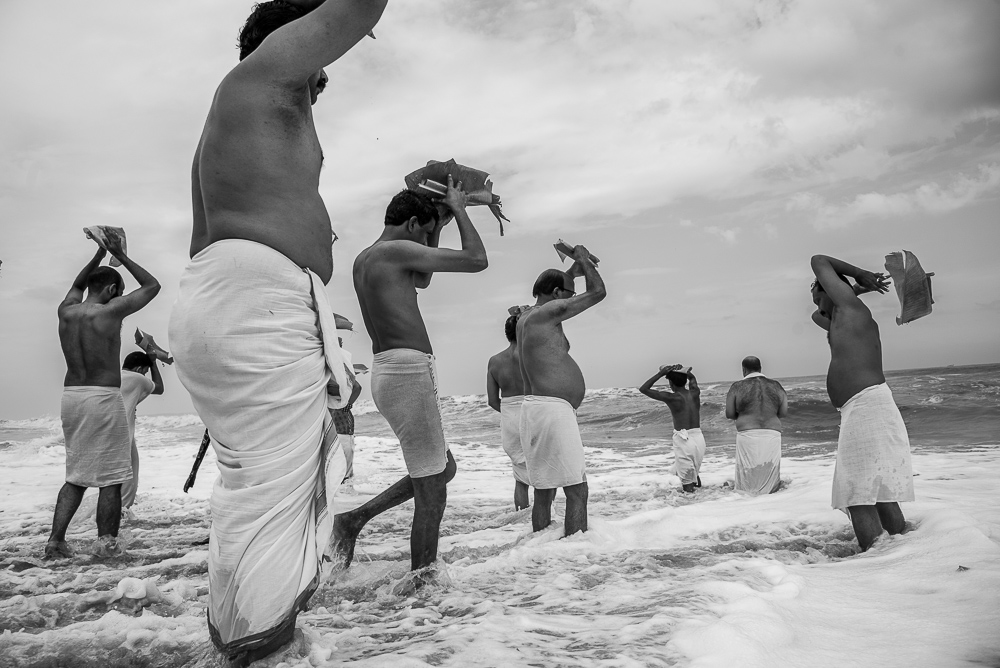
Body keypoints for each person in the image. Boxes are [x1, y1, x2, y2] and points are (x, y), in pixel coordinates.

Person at [167, 1, 385, 663]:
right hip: (254, 302)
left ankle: (240, 641)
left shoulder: (240, 110)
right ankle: (257, 652)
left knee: (257, 491)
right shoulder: (263, 74)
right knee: (273, 502)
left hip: (229, 298)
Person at [332, 182, 487, 579]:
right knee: (433, 488)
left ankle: (355, 518)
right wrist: (460, 210)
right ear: (413, 223)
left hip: (390, 370)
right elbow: (476, 259)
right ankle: (423, 587)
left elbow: (423, 279)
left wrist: (440, 223)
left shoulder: (369, 257)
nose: (426, 242)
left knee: (442, 468)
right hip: (408, 371)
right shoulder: (395, 250)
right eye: (425, 232)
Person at [46, 236, 160, 559]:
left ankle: (55, 541)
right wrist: (120, 254)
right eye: (118, 292)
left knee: (76, 476)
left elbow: (77, 283)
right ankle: (107, 546)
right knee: (111, 479)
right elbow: (152, 286)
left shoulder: (65, 311)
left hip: (72, 397)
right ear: (111, 291)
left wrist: (98, 253)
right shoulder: (109, 313)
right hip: (102, 398)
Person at [810, 254, 914, 551]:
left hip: (867, 405)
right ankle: (902, 550)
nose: (817, 308)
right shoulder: (838, 317)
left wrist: (861, 275)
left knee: (855, 493)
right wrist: (855, 289)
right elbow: (816, 317)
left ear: (832, 292)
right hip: (863, 407)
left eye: (819, 298)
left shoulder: (851, 309)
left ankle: (876, 560)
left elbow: (818, 259)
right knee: (877, 490)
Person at [517, 248, 606, 535]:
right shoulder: (549, 312)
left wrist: (573, 270)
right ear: (556, 293)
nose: (571, 299)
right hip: (553, 410)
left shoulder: (528, 316)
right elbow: (598, 292)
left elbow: (560, 287)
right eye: (568, 293)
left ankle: (543, 552)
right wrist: (581, 256)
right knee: (578, 489)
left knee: (544, 490)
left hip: (537, 408)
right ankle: (576, 554)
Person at [724, 356, 787, 495]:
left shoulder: (737, 386)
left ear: (744, 369)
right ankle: (771, 496)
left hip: (747, 433)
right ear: (760, 368)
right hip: (772, 432)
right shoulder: (776, 385)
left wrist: (742, 415)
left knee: (747, 475)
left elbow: (729, 413)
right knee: (771, 472)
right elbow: (783, 412)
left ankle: (748, 500)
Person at [486, 313, 530, 510]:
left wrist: (509, 412)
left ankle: (521, 519)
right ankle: (545, 520)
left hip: (509, 417)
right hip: (533, 411)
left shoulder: (494, 361)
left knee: (520, 477)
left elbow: (493, 401)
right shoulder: (532, 356)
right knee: (544, 471)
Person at [639, 364, 705, 492]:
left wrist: (661, 374)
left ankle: (692, 506)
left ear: (671, 383)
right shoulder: (695, 392)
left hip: (684, 439)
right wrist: (685, 372)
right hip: (699, 439)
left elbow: (644, 389)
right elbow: (692, 379)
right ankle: (705, 499)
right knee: (694, 474)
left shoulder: (671, 397)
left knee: (687, 482)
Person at [119, 351, 165, 510]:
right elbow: (159, 388)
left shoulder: (116, 377)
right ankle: (120, 517)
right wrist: (153, 363)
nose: (145, 375)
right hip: (122, 436)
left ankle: (112, 515)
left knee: (112, 482)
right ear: (139, 369)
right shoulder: (136, 378)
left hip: (107, 433)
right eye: (145, 371)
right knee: (128, 481)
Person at [333, 337, 363, 482]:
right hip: (340, 414)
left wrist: (348, 404)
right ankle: (346, 484)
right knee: (345, 452)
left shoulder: (334, 364)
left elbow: (357, 387)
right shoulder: (340, 364)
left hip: (332, 413)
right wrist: (348, 404)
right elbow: (356, 387)